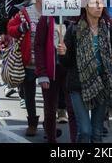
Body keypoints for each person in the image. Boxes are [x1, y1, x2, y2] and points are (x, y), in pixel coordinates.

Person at [59, 0, 112, 143]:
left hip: (102, 85)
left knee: (96, 133)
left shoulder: (109, 29)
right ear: (85, 7)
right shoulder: (74, 29)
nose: (98, 6)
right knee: (85, 131)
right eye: (94, 3)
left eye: (100, 3)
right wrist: (62, 53)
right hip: (78, 86)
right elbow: (66, 63)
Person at [7, 0, 43, 137]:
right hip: (28, 61)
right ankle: (32, 124)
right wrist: (20, 28)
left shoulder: (54, 12)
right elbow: (10, 27)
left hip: (46, 62)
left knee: (49, 96)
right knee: (30, 94)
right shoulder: (25, 11)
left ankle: (50, 124)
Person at [35, 13, 77, 143]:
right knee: (50, 109)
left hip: (70, 70)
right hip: (50, 70)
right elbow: (39, 45)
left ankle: (75, 141)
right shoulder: (46, 18)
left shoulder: (75, 17)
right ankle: (51, 139)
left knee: (73, 108)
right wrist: (42, 73)